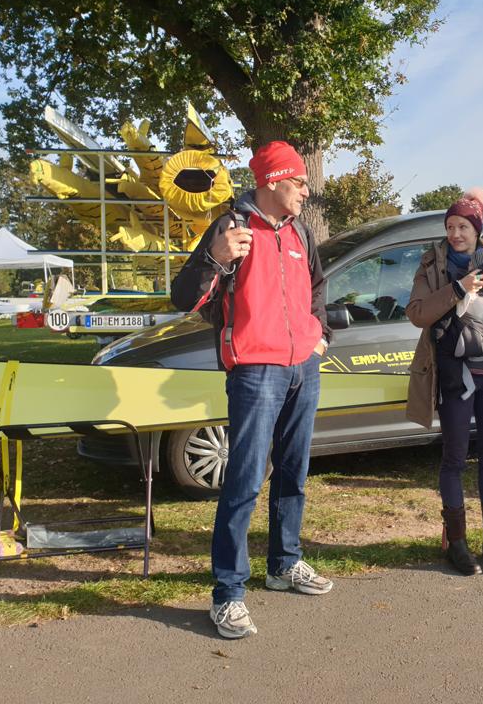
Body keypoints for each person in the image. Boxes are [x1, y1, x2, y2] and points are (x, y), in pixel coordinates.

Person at [171, 141, 333, 639]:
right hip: (255, 371)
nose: (306, 190)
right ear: (273, 182)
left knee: (294, 473)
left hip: (303, 367)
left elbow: (318, 287)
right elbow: (183, 297)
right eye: (299, 181)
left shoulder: (301, 231)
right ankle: (228, 593)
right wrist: (215, 259)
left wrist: (319, 335)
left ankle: (284, 564)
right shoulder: (230, 228)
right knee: (244, 482)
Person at [406, 187, 483, 576]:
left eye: (463, 226)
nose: (456, 233)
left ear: (477, 230)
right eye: (450, 226)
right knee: (454, 459)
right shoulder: (432, 265)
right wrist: (459, 288)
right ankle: (457, 544)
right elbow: (417, 313)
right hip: (456, 376)